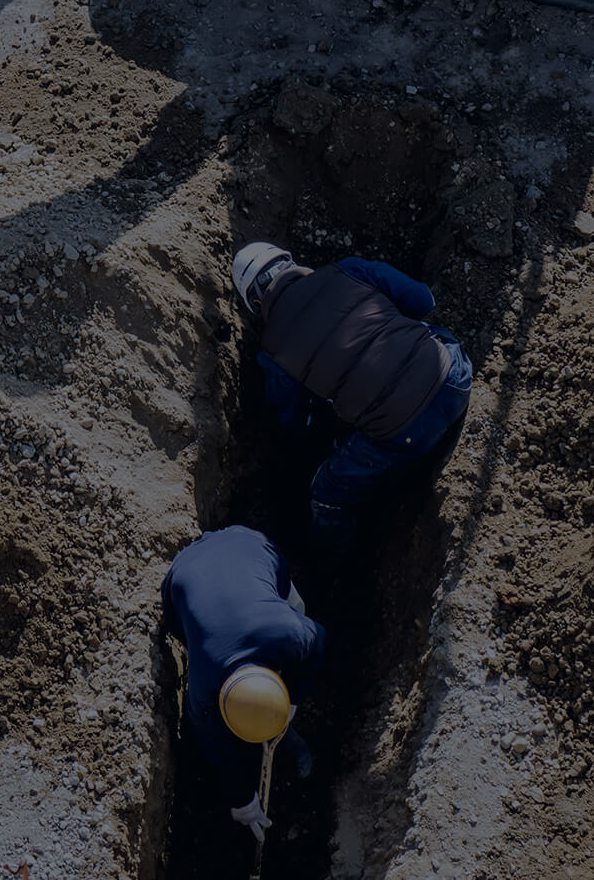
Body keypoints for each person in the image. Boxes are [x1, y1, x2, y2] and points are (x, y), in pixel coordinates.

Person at [231, 242, 473, 549]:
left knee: (327, 493)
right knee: (426, 332)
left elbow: (293, 422)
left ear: (254, 302)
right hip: (455, 377)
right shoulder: (350, 269)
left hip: (406, 434)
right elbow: (422, 300)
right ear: (289, 261)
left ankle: (333, 570)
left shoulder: (273, 352)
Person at [160, 525, 325, 840]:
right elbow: (216, 746)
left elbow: (319, 641)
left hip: (255, 548)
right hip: (184, 571)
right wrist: (244, 799)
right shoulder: (201, 692)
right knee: (190, 629)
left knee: (297, 606)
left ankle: (281, 733)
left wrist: (291, 704)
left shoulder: (289, 632)